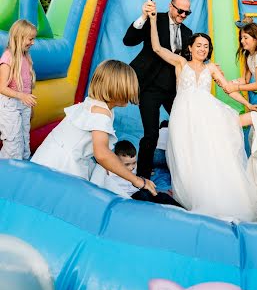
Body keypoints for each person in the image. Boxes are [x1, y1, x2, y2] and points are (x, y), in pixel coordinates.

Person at [149, 6, 257, 222]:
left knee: (207, 153)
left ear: (209, 50)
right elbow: (157, 48)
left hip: (207, 115)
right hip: (182, 115)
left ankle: (214, 197)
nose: (202, 49)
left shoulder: (211, 69)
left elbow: (228, 88)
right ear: (190, 47)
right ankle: (191, 194)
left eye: (206, 46)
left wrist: (248, 104)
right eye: (198, 45)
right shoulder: (181, 63)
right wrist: (153, 20)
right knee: (184, 153)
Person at [31, 60, 156, 196]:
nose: (131, 93)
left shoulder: (97, 104)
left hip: (50, 157)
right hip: (59, 166)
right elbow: (101, 154)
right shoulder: (100, 113)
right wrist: (137, 180)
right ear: (115, 89)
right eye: (128, 89)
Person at [123, 0, 193, 180]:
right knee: (151, 134)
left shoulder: (187, 33)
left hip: (173, 91)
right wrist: (144, 17)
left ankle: (184, 172)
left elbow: (189, 62)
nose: (183, 15)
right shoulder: (155, 18)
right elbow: (128, 40)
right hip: (149, 87)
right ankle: (143, 176)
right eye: (180, 10)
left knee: (186, 127)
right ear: (171, 6)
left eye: (187, 12)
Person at [90, 139, 181, 207]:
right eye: (127, 164)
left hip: (138, 191)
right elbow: (101, 159)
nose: (131, 167)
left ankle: (183, 211)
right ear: (116, 162)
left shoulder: (133, 168)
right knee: (144, 196)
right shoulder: (111, 170)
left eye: (134, 163)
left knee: (162, 196)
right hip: (129, 197)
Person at [0, 19, 37, 160]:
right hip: (10, 105)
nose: (33, 42)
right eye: (30, 39)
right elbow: (2, 88)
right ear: (19, 37)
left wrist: (29, 105)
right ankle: (7, 173)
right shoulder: (8, 58)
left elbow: (27, 86)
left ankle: (23, 172)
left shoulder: (26, 57)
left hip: (23, 105)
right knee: (13, 145)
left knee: (25, 144)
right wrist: (22, 96)